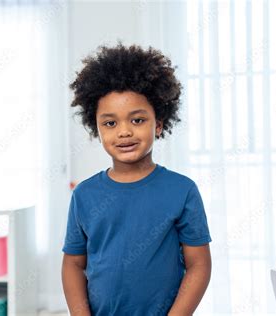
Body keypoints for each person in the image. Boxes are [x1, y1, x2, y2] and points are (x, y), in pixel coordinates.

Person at [61, 43, 212, 316]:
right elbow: (72, 263)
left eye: (138, 120)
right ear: (96, 128)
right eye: (110, 123)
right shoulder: (84, 195)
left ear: (158, 123)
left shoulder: (182, 191)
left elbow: (199, 265)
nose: (124, 132)